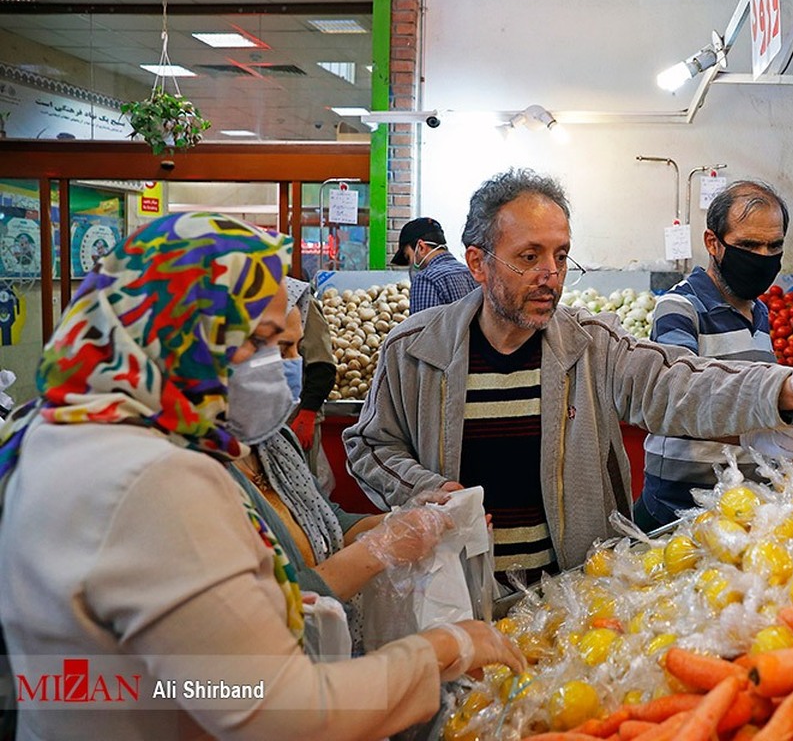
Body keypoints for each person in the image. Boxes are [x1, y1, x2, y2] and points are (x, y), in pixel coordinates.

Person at [0, 212, 523, 740]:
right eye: (259, 341)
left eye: (287, 346)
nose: (278, 367)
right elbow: (280, 711)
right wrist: (443, 649)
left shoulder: (66, 432)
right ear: (182, 331)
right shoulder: (152, 477)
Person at [345, 168, 793, 588]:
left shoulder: (592, 346)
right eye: (529, 257)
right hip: (452, 589)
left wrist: (790, 386)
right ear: (479, 263)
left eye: (561, 256)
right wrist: (421, 489)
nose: (550, 275)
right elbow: (371, 445)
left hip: (570, 593)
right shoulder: (413, 351)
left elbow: (677, 383)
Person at [228, 299, 445, 653]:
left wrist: (404, 520)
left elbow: (327, 519)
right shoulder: (192, 474)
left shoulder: (272, 442)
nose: (297, 363)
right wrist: (378, 550)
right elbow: (257, 613)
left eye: (298, 349)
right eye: (282, 348)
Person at [634, 180, 793, 531]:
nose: (763, 257)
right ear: (713, 243)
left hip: (740, 506)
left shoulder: (760, 312)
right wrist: (761, 432)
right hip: (679, 508)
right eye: (748, 245)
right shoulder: (680, 307)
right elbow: (677, 401)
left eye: (774, 246)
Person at [282, 276, 338, 485]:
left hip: (295, 417)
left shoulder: (298, 299)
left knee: (300, 483)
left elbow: (323, 366)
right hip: (266, 417)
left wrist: (307, 414)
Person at [391, 216, 479, 314]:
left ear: (421, 247)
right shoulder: (473, 274)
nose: (410, 264)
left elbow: (424, 324)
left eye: (408, 257)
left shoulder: (426, 280)